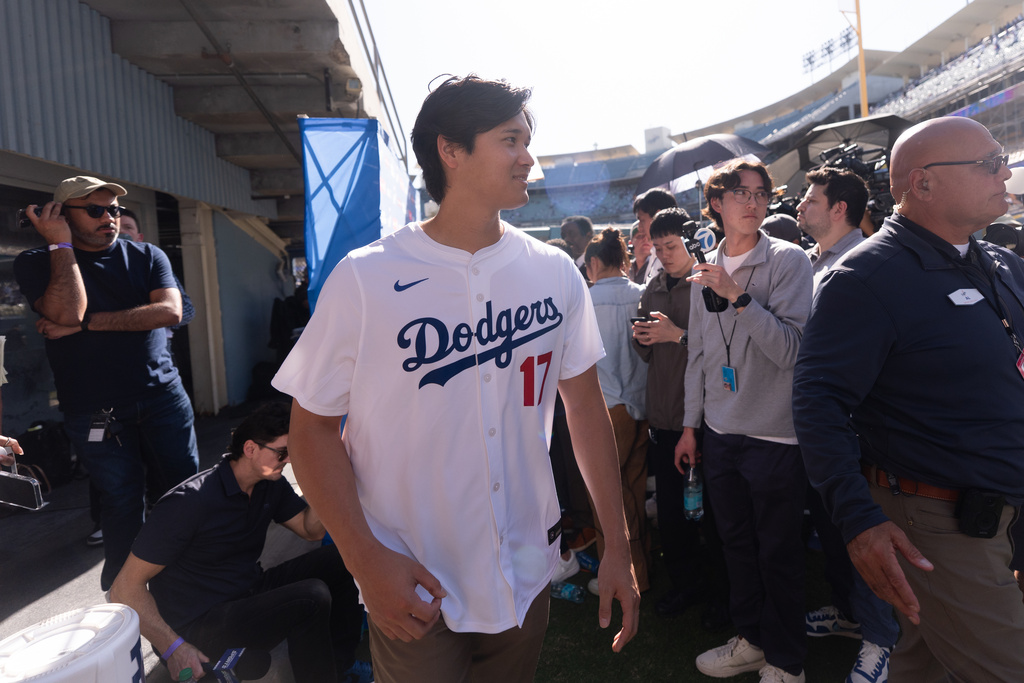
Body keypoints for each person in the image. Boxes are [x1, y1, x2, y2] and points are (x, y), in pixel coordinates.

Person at [272, 75, 639, 683]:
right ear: (451, 149)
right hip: (413, 579)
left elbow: (585, 412)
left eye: (528, 141)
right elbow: (310, 432)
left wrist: (619, 544)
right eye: (511, 140)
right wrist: (365, 561)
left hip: (525, 571)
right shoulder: (366, 278)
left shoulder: (555, 273)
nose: (530, 159)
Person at [793, 116, 1024, 682]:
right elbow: (817, 403)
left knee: (922, 663)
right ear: (921, 185)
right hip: (940, 519)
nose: (1005, 171)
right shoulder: (865, 277)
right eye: (987, 162)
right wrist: (857, 520)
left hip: (1000, 501)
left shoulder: (998, 261)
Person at [13, 176, 199, 590]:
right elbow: (65, 312)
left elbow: (169, 312)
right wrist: (61, 245)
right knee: (120, 498)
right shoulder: (36, 260)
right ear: (61, 215)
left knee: (183, 490)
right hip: (97, 410)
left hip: (161, 399)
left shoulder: (148, 255)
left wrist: (87, 326)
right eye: (95, 210)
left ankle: (191, 578)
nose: (110, 218)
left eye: (113, 210)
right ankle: (125, 592)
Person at [110, 402, 368, 683]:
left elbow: (310, 530)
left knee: (346, 560)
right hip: (199, 623)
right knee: (312, 596)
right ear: (250, 449)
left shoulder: (270, 484)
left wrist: (327, 475)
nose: (290, 460)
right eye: (283, 452)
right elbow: (123, 589)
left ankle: (342, 667)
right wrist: (174, 648)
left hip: (246, 594)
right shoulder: (188, 502)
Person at [677, 160, 813, 683]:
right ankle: (753, 640)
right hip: (720, 432)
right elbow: (700, 358)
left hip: (776, 434)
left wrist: (738, 296)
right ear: (716, 203)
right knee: (735, 546)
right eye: (739, 193)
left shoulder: (789, 260)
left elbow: (791, 351)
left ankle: (787, 661)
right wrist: (690, 426)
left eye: (760, 193)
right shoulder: (703, 268)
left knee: (778, 551)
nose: (752, 202)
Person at [795, 166, 898, 683]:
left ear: (839, 208)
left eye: (810, 197)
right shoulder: (810, 262)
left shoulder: (869, 263)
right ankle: (851, 615)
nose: (799, 205)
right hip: (823, 427)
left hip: (859, 427)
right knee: (835, 532)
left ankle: (882, 639)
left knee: (866, 530)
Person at [632, 207, 730, 629]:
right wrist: (643, 337)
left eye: (671, 246)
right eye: (658, 247)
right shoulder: (652, 288)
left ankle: (723, 594)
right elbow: (647, 353)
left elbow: (726, 349)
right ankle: (687, 584)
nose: (664, 254)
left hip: (706, 421)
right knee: (672, 515)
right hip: (664, 419)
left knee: (715, 514)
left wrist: (678, 335)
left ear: (688, 244)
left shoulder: (709, 285)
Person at [583, 227, 649, 594]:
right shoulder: (641, 293)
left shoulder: (585, 299)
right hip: (642, 406)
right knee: (632, 489)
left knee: (607, 497)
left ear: (594, 263)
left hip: (608, 410)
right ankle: (641, 568)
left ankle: (628, 573)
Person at [633, 188, 678, 284]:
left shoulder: (675, 256)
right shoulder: (654, 253)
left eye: (642, 220)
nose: (639, 228)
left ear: (657, 215)